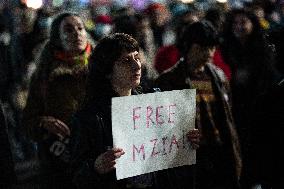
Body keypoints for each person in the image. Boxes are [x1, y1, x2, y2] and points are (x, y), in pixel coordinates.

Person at [69, 33, 200, 188]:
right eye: (125, 61)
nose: (137, 65)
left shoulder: (152, 106)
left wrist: (185, 141)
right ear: (107, 70)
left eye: (137, 57)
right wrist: (95, 167)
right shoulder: (89, 117)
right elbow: (75, 176)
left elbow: (166, 157)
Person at [155, 21, 242, 189]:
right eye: (202, 47)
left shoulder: (218, 76)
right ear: (188, 47)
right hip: (191, 154)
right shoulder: (168, 80)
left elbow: (228, 115)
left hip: (219, 149)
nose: (208, 53)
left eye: (212, 47)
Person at [22, 12, 93, 188]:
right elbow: (27, 123)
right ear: (57, 38)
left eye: (80, 28)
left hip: (97, 158)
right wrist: (43, 122)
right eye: (68, 30)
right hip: (60, 161)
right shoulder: (44, 75)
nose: (76, 33)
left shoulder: (103, 68)